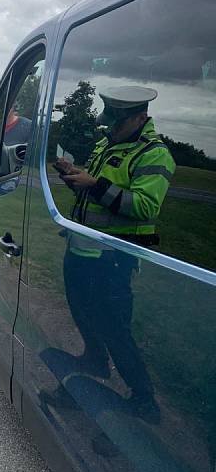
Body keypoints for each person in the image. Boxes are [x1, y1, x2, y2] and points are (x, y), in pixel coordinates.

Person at [54, 85, 175, 422]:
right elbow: (91, 194)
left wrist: (95, 185)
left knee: (115, 329)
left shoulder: (154, 154)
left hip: (114, 259)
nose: (110, 128)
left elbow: (145, 206)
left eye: (117, 122)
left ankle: (144, 399)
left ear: (140, 117)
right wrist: (73, 177)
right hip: (81, 251)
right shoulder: (107, 144)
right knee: (82, 314)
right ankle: (94, 361)